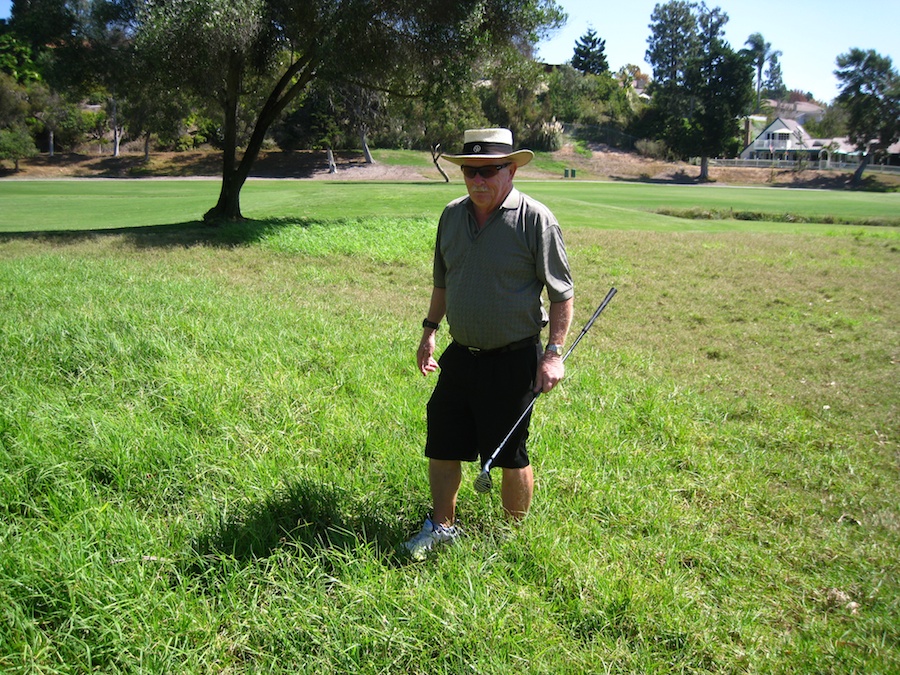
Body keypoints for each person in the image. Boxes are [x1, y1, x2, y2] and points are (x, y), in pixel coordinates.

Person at [404, 128, 574, 560]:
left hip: (514, 357)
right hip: (460, 354)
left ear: (511, 169)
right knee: (442, 440)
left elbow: (561, 294)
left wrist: (552, 354)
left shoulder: (536, 219)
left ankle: (514, 540)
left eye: (489, 171)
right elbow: (444, 281)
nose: (478, 181)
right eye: (469, 172)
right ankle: (442, 526)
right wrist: (429, 330)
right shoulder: (451, 215)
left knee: (510, 453)